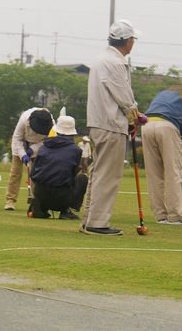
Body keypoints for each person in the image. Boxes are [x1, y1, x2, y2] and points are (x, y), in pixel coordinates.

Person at [81, 20, 147, 236]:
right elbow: (125, 97)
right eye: (133, 40)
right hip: (110, 124)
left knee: (99, 172)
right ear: (128, 41)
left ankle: (89, 219)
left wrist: (133, 117)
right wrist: (134, 118)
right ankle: (97, 223)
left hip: (99, 123)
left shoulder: (101, 60)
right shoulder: (115, 63)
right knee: (108, 175)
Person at [29, 112, 88, 219]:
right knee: (83, 178)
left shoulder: (43, 147)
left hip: (39, 192)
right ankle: (67, 210)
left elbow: (33, 173)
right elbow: (71, 175)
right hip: (61, 198)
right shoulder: (76, 151)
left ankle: (42, 207)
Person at [141, 86, 182, 225]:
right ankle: (175, 216)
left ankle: (160, 216)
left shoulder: (165, 92)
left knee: (154, 174)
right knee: (173, 172)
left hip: (146, 125)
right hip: (168, 126)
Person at [4, 108, 54, 210]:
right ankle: (10, 200)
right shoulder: (24, 119)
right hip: (20, 144)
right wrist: (23, 154)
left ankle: (37, 200)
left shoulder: (51, 123)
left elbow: (47, 140)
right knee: (15, 173)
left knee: (37, 174)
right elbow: (17, 139)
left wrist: (32, 149)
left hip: (38, 147)